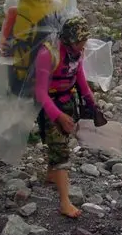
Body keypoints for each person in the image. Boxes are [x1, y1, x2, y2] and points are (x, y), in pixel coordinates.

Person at [35, 16, 100, 218]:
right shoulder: (48, 54)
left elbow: (79, 76)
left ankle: (50, 175)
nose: (84, 45)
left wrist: (91, 101)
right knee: (61, 150)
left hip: (68, 99)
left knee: (60, 140)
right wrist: (58, 115)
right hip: (50, 104)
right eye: (80, 41)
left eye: (84, 41)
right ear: (69, 40)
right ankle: (65, 202)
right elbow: (39, 93)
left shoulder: (76, 53)